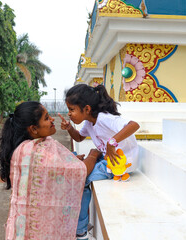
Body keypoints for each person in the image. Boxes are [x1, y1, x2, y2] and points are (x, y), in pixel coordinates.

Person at [0, 101, 101, 240]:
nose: (52, 120)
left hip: (20, 231)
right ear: (33, 129)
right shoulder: (37, 152)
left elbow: (59, 168)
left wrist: (72, 160)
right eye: (46, 118)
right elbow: (82, 170)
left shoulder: (26, 147)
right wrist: (93, 154)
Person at [59, 84, 140, 239]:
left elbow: (134, 125)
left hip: (118, 163)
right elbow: (79, 137)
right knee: (76, 167)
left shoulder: (104, 118)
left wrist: (112, 142)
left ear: (87, 109)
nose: (69, 113)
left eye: (72, 109)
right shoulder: (89, 122)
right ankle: (82, 222)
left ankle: (80, 231)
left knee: (80, 180)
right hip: (106, 160)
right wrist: (69, 127)